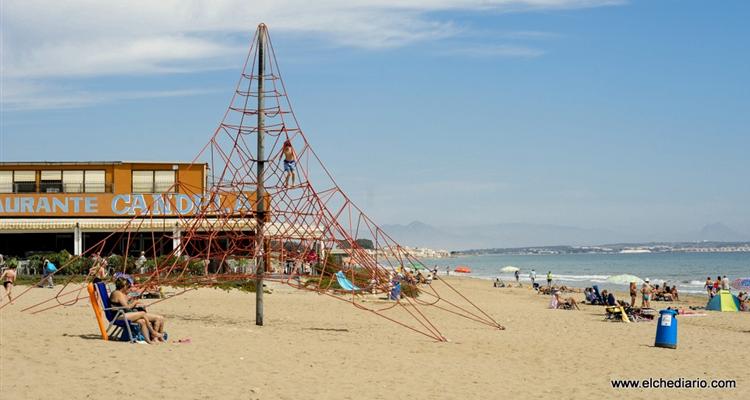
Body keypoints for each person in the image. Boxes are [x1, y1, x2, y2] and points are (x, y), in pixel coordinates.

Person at [109, 277, 166, 344]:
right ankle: (153, 333)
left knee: (157, 319)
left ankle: (153, 340)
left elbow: (125, 305)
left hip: (126, 314)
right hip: (119, 316)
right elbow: (127, 307)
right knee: (142, 313)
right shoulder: (117, 293)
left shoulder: (121, 294)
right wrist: (135, 302)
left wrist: (133, 302)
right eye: (128, 286)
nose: (129, 288)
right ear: (124, 286)